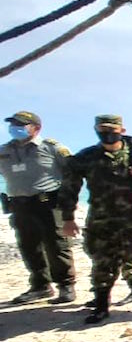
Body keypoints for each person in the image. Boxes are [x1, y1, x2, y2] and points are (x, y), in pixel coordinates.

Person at [58, 114, 132, 323]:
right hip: (101, 221)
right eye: (102, 129)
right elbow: (70, 187)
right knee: (102, 264)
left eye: (112, 129)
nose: (107, 133)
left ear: (122, 130)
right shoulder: (86, 157)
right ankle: (101, 305)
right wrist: (68, 218)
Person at [1, 111, 77, 304]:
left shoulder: (51, 148)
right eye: (13, 124)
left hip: (48, 204)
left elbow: (74, 171)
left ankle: (66, 286)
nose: (15, 127)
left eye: (21, 124)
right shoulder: (4, 150)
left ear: (36, 128)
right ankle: (40, 286)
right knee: (28, 245)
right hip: (19, 205)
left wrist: (70, 201)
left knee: (56, 245)